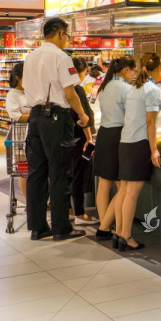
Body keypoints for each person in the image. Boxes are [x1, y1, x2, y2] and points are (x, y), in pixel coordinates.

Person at [22, 17, 89, 242]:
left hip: (34, 118)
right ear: (60, 33)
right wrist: (82, 115)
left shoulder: (30, 57)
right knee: (60, 173)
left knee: (36, 173)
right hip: (56, 118)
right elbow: (70, 93)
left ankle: (37, 227)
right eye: (67, 35)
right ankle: (61, 227)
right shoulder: (62, 57)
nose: (67, 39)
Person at [113, 53, 161, 251]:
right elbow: (151, 123)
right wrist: (154, 150)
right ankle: (126, 236)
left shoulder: (134, 88)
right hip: (139, 144)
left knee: (124, 192)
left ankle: (119, 233)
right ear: (157, 70)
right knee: (132, 194)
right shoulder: (152, 89)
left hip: (125, 142)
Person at [93, 56, 137, 241]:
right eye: (134, 71)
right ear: (127, 70)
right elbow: (132, 116)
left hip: (104, 134)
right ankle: (113, 228)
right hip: (120, 136)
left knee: (104, 184)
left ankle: (105, 224)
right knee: (123, 187)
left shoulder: (104, 87)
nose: (134, 75)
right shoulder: (126, 89)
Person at [70, 56, 96, 225]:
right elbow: (84, 117)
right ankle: (80, 213)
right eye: (85, 72)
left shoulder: (65, 88)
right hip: (80, 138)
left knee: (70, 175)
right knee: (79, 175)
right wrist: (89, 138)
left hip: (69, 137)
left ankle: (70, 210)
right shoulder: (77, 90)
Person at [4, 61, 29, 200]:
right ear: (18, 77)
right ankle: (27, 201)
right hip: (20, 137)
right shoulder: (12, 95)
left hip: (35, 135)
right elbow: (16, 116)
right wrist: (36, 115)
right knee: (23, 170)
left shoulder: (31, 92)